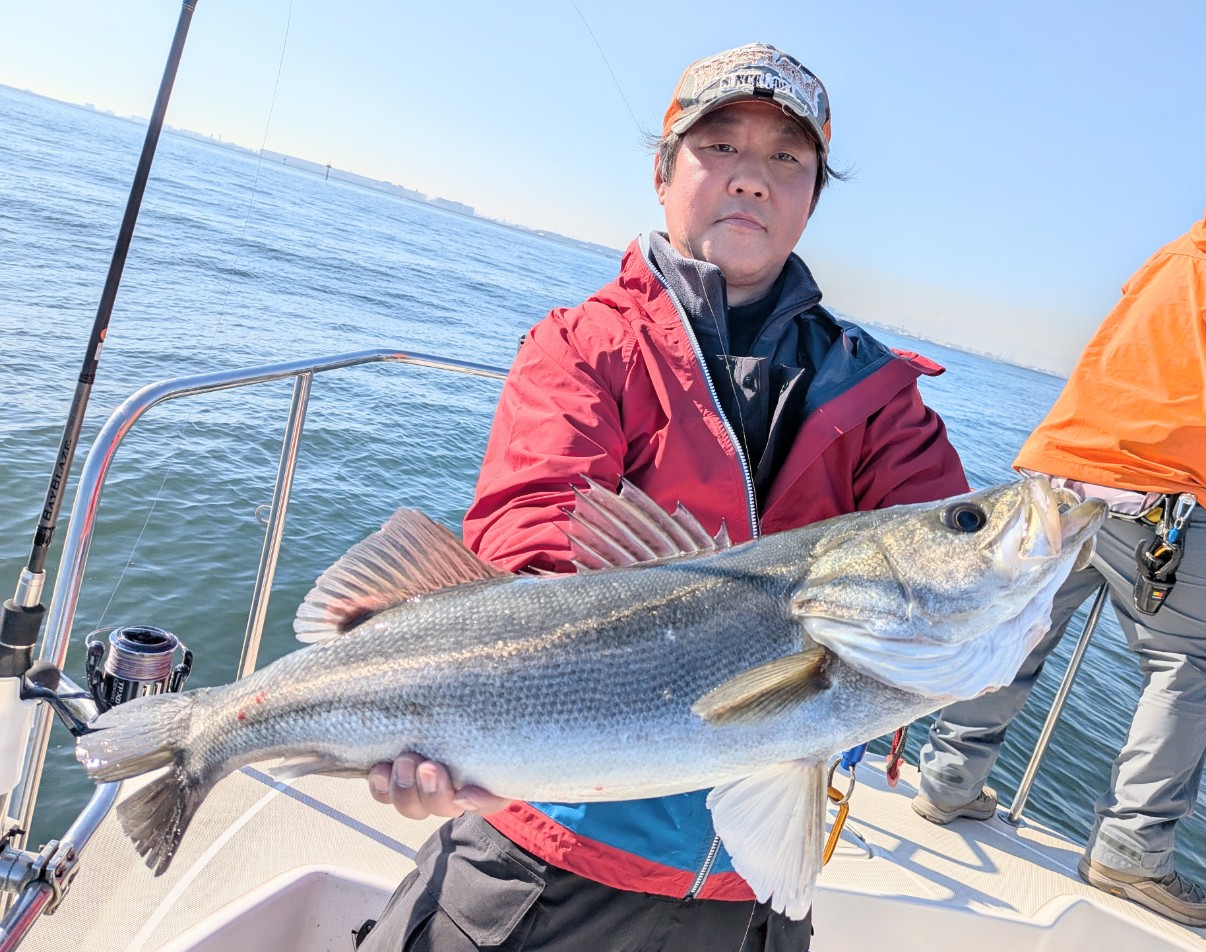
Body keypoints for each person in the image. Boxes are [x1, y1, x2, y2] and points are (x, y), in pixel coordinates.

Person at [358, 42, 969, 951]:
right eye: (720, 146)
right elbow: (531, 548)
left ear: (812, 197)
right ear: (662, 171)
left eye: (787, 157)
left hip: (751, 895)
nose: (751, 177)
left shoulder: (878, 392)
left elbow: (953, 568)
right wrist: (467, 724)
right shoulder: (584, 347)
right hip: (545, 856)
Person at [913, 211, 1206, 928]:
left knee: (1021, 628)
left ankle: (948, 779)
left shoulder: (1179, 254)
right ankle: (1131, 851)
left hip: (1065, 470)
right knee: (1186, 664)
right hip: (1165, 492)